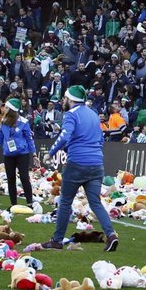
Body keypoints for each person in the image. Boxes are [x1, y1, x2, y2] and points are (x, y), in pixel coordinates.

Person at [43, 86, 119, 252]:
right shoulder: (93, 113)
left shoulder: (71, 114)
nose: (63, 101)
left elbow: (64, 135)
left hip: (77, 163)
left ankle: (56, 240)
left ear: (70, 100)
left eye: (64, 98)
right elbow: (100, 139)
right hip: (97, 163)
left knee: (65, 202)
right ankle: (111, 235)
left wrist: (51, 153)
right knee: (95, 202)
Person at [0, 98, 37, 207]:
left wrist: (34, 154)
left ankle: (30, 202)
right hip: (8, 154)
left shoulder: (24, 122)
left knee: (24, 178)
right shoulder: (3, 122)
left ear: (12, 109)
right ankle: (13, 204)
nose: (4, 109)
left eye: (7, 107)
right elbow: (0, 137)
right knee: (10, 178)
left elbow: (29, 139)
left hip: (22, 154)